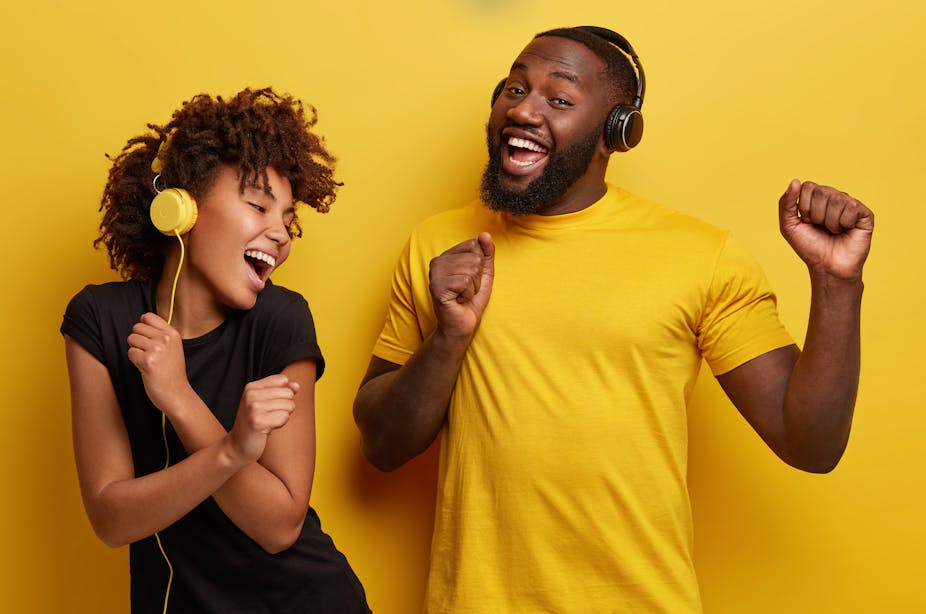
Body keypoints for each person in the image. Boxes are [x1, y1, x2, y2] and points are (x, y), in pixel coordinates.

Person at [352, 26, 874, 613]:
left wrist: (837, 283)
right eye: (514, 89)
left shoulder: (700, 256)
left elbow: (811, 444)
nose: (523, 109)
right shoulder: (438, 244)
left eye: (559, 99)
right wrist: (449, 338)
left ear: (616, 131)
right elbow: (381, 445)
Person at [62, 88, 370, 613]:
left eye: (288, 219)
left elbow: (279, 526)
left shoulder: (281, 320)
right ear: (179, 208)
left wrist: (181, 400)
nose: (280, 234)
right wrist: (232, 451)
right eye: (257, 205)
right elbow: (111, 520)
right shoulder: (100, 322)